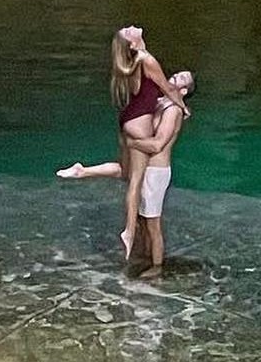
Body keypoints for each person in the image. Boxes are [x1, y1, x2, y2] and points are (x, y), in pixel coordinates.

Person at [58, 63, 193, 268]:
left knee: (153, 226)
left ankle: (156, 269)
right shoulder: (161, 102)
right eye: (177, 73)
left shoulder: (173, 111)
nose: (175, 75)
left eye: (182, 78)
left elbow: (158, 144)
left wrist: (133, 143)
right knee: (139, 219)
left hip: (155, 171)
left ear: (184, 91)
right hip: (143, 165)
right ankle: (82, 171)